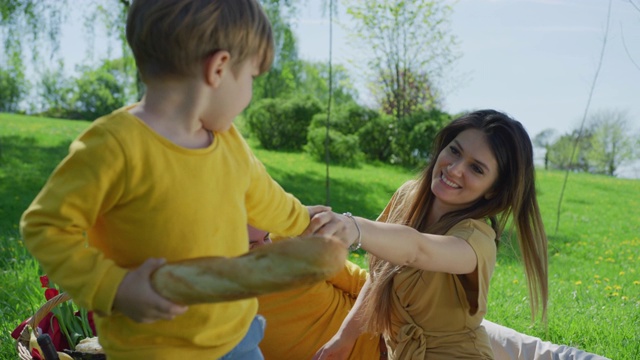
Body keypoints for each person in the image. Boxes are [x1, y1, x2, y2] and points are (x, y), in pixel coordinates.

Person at [19, 1, 344, 359]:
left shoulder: (229, 142)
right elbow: (45, 226)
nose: (250, 94)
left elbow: (264, 197)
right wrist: (116, 288)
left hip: (238, 336)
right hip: (153, 349)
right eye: (251, 77)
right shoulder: (115, 146)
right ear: (219, 68)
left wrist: (303, 221)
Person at [308, 110, 549, 359]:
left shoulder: (477, 239)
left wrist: (353, 227)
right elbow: (380, 276)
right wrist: (343, 339)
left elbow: (416, 250)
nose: (455, 169)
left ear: (493, 190)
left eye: (476, 169)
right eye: (454, 151)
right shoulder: (407, 196)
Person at [249, 226, 610, 360]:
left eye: (265, 236)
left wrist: (348, 335)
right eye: (253, 241)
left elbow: (367, 280)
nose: (265, 245)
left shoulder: (284, 244)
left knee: (536, 354)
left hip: (410, 327)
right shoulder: (207, 304)